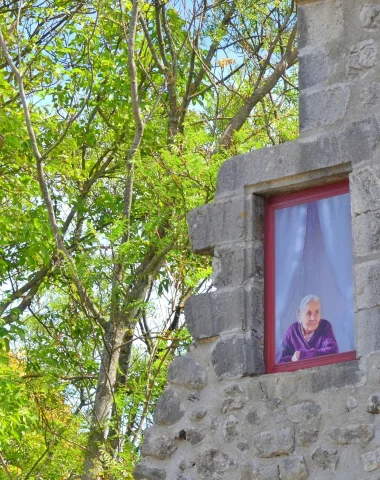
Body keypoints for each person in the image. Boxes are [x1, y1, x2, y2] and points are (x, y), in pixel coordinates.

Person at [278, 294, 338, 364]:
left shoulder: (324, 326)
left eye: (317, 312)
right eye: (308, 313)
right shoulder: (292, 331)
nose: (313, 318)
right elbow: (281, 359)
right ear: (299, 316)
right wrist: (292, 358)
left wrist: (303, 355)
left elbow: (333, 351)